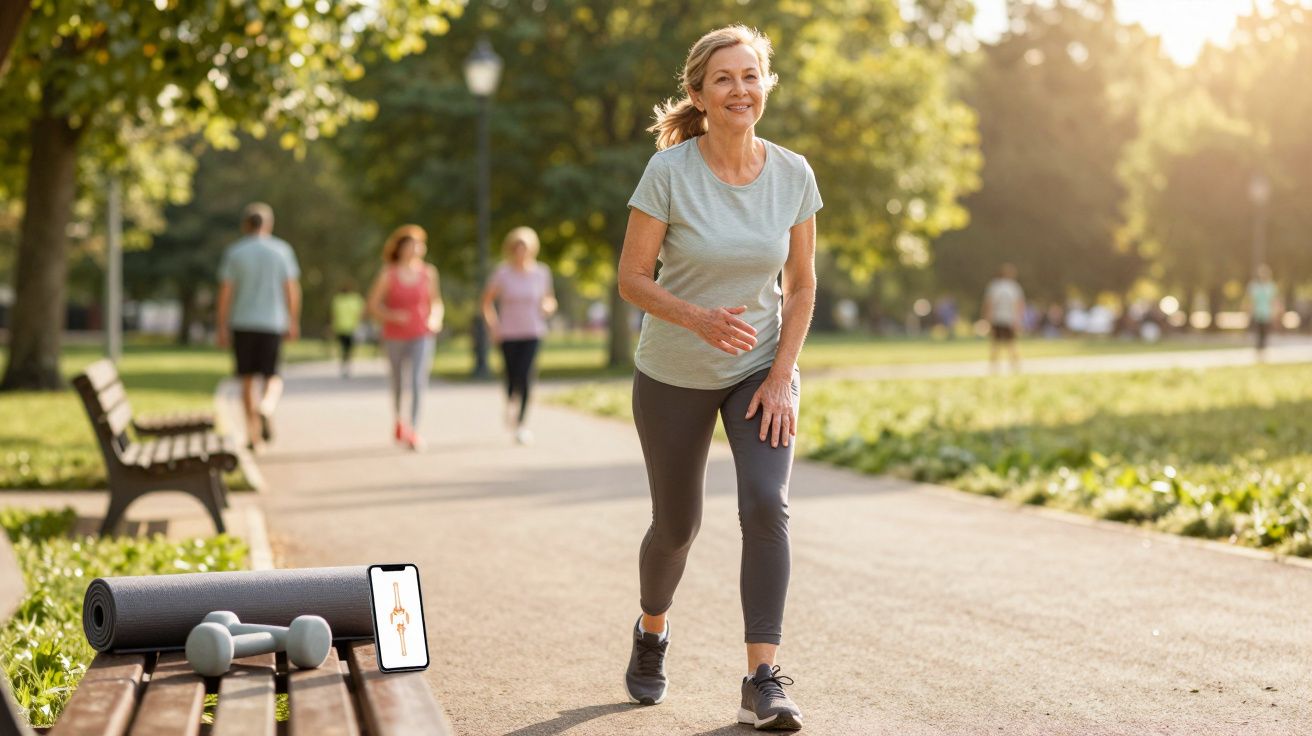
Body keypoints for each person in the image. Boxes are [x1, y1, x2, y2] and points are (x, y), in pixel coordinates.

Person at [617, 25, 819, 731]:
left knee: (766, 504)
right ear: (699, 95)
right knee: (676, 526)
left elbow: (800, 288)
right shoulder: (669, 173)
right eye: (724, 79)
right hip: (673, 369)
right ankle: (651, 631)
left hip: (759, 368)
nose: (740, 89)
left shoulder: (793, 173)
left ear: (766, 85)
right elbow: (632, 279)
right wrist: (695, 318)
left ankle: (761, 679)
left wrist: (781, 375)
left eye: (751, 76)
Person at [216, 202, 300, 452]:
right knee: (272, 376)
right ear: (269, 224)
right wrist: (293, 319)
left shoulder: (235, 252)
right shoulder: (282, 251)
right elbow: (291, 289)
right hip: (273, 323)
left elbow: (226, 292)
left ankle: (254, 437)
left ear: (245, 225)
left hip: (242, 323)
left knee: (247, 380)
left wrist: (221, 325)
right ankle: (266, 406)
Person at [367, 225, 443, 451]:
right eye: (410, 245)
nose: (415, 249)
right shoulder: (387, 274)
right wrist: (391, 315)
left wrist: (435, 319)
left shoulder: (428, 273)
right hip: (394, 335)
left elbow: (436, 302)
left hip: (422, 333)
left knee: (418, 380)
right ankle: (400, 419)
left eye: (418, 245)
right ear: (400, 249)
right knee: (399, 382)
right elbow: (372, 305)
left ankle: (414, 430)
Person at [480, 226, 557, 445]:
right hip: (508, 333)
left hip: (533, 331)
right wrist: (493, 326)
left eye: (524, 247)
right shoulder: (502, 273)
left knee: (525, 375)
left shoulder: (541, 272)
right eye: (516, 247)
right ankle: (510, 403)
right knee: (512, 376)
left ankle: (521, 424)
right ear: (511, 249)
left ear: (532, 249)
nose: (520, 252)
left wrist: (548, 306)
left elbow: (549, 299)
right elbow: (486, 302)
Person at [983, 263, 1025, 374]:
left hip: (1001, 318)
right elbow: (1019, 305)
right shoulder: (1013, 287)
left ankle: (997, 367)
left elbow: (989, 303)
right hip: (1007, 318)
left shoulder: (995, 286)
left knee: (998, 344)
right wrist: (1018, 319)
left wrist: (988, 318)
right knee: (1008, 343)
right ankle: (1012, 367)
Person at [331, 279, 366, 378]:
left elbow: (333, 314)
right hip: (349, 328)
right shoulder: (356, 299)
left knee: (344, 348)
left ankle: (345, 365)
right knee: (349, 349)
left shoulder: (338, 299)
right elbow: (361, 314)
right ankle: (347, 365)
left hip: (342, 327)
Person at [1246, 263, 1281, 360]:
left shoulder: (1271, 287)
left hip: (1267, 313)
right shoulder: (1254, 286)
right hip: (1257, 313)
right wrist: (1249, 312)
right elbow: (1251, 300)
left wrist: (1275, 313)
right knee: (1258, 332)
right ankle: (1258, 352)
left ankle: (1263, 352)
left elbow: (1274, 300)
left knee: (1265, 333)